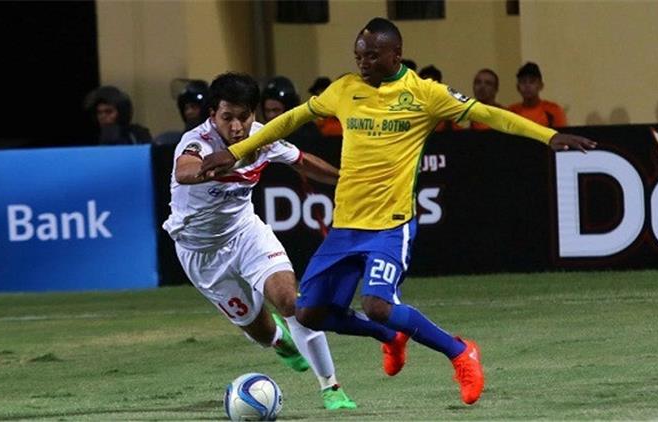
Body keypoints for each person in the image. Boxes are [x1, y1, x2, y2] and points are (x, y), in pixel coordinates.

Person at [199, 18, 596, 406]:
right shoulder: (345, 89)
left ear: (396, 54)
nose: (363, 63)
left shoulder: (425, 94)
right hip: (345, 228)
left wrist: (549, 136)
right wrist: (236, 152)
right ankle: (390, 336)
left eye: (372, 56)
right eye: (359, 56)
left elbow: (490, 115)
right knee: (309, 313)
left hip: (390, 226)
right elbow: (291, 119)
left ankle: (460, 351)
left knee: (377, 304)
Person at [162, 72, 356, 410]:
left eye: (244, 117)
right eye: (227, 117)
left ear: (254, 114)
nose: (237, 127)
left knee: (292, 302)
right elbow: (185, 171)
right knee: (261, 331)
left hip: (246, 234)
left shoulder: (262, 137)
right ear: (213, 114)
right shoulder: (197, 141)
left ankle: (331, 387)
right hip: (201, 253)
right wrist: (233, 160)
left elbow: (302, 162)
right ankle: (280, 341)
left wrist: (345, 180)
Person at [83, 85, 152, 145]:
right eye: (99, 112)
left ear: (121, 113)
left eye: (109, 112)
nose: (103, 116)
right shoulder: (92, 137)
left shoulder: (137, 133)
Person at [508, 62, 567, 128]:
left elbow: (561, 133)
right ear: (517, 87)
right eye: (523, 82)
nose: (527, 86)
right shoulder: (511, 112)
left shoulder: (553, 111)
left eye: (532, 81)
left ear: (541, 85)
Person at [154, 79, 210, 145]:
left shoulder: (217, 139)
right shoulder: (182, 141)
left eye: (194, 107)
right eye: (186, 108)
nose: (189, 112)